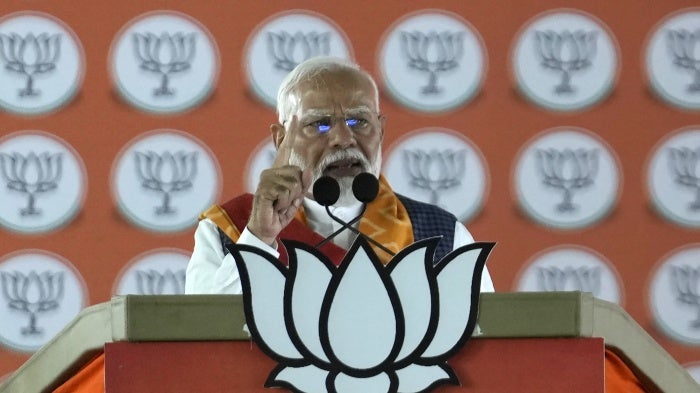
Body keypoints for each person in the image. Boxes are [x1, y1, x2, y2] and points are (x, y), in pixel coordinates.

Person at [185, 56, 494, 294]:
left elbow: (485, 348)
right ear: (280, 138)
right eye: (319, 124)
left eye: (359, 121)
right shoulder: (229, 228)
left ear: (381, 130)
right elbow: (205, 344)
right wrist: (260, 239)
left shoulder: (443, 236)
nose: (343, 138)